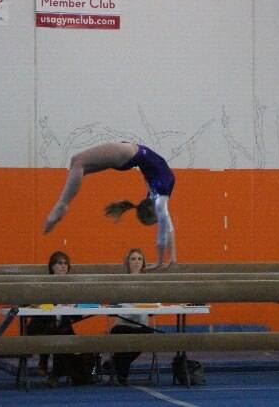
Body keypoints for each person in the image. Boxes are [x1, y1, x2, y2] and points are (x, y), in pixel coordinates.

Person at [43, 142, 176, 269]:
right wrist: (169, 257)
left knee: (77, 162)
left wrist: (166, 258)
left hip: (129, 154)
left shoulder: (157, 195)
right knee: (78, 165)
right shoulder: (158, 199)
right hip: (128, 155)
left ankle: (62, 205)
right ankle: (62, 204)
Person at [25, 251, 96, 387]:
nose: (63, 266)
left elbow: (76, 315)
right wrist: (40, 304)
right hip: (41, 327)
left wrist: (74, 306)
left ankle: (58, 373)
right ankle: (52, 371)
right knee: (59, 333)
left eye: (65, 264)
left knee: (63, 334)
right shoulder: (42, 284)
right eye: (59, 263)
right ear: (52, 267)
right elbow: (27, 303)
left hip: (62, 327)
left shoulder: (72, 287)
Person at [106, 248, 156, 385]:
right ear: (127, 262)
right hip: (122, 325)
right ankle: (121, 374)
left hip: (141, 326)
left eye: (139, 259)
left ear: (143, 263)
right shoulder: (120, 282)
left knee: (148, 335)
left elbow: (154, 307)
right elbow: (112, 306)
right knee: (118, 333)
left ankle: (114, 364)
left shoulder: (149, 283)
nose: (136, 262)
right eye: (133, 259)